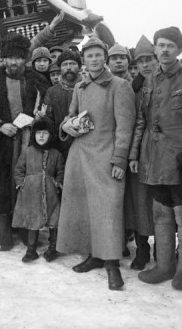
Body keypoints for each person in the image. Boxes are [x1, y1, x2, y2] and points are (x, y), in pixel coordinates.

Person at [130, 26, 182, 291]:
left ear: (179, 50)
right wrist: (134, 154)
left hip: (180, 157)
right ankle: (164, 266)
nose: (164, 50)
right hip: (152, 157)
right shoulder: (149, 79)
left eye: (170, 46)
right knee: (161, 213)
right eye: (160, 45)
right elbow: (142, 120)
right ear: (154, 48)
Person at [58, 37, 136, 291]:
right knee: (86, 208)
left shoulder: (120, 86)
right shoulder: (80, 88)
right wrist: (67, 125)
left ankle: (112, 263)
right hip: (80, 155)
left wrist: (119, 159)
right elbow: (71, 115)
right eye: (89, 55)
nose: (93, 59)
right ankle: (93, 255)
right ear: (84, 59)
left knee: (109, 209)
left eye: (97, 55)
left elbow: (125, 127)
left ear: (105, 58)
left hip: (106, 156)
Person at [0, 33, 51, 251]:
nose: (14, 62)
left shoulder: (37, 81)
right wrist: (0, 125)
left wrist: (40, 118)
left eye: (18, 58)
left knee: (28, 184)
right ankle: (4, 235)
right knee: (1, 185)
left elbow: (46, 108)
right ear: (4, 58)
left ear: (24, 58)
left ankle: (28, 232)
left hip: (29, 140)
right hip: (1, 142)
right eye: (9, 57)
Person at [125, 35, 157, 271]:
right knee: (139, 202)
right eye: (140, 61)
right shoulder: (132, 89)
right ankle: (143, 249)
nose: (145, 65)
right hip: (140, 151)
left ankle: (164, 250)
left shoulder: (167, 83)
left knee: (163, 204)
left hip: (164, 151)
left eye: (149, 59)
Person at [12, 118, 65, 262]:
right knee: (33, 220)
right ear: (33, 135)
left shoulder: (56, 154)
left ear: (50, 135)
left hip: (51, 193)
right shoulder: (27, 152)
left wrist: (57, 183)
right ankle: (31, 250)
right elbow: (19, 169)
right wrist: (21, 184)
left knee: (54, 219)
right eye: (38, 133)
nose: (41, 136)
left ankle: (53, 248)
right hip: (31, 193)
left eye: (45, 133)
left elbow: (60, 171)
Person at [42, 49, 82, 159]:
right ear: (60, 68)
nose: (68, 67)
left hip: (86, 146)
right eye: (65, 64)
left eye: (72, 63)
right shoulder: (52, 92)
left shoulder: (88, 87)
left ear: (79, 66)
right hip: (61, 149)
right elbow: (47, 121)